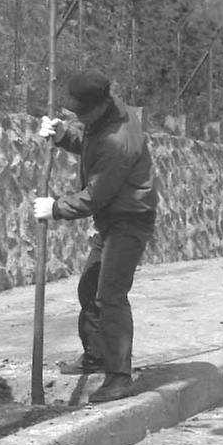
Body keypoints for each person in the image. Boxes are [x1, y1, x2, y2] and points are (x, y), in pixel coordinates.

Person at [33, 69, 158, 404]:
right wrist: (62, 135)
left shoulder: (120, 138)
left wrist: (55, 207)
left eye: (82, 114)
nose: (80, 119)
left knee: (110, 295)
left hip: (130, 220)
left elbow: (96, 196)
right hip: (111, 218)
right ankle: (96, 355)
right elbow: (89, 142)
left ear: (100, 105)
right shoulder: (103, 116)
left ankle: (119, 376)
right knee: (89, 287)